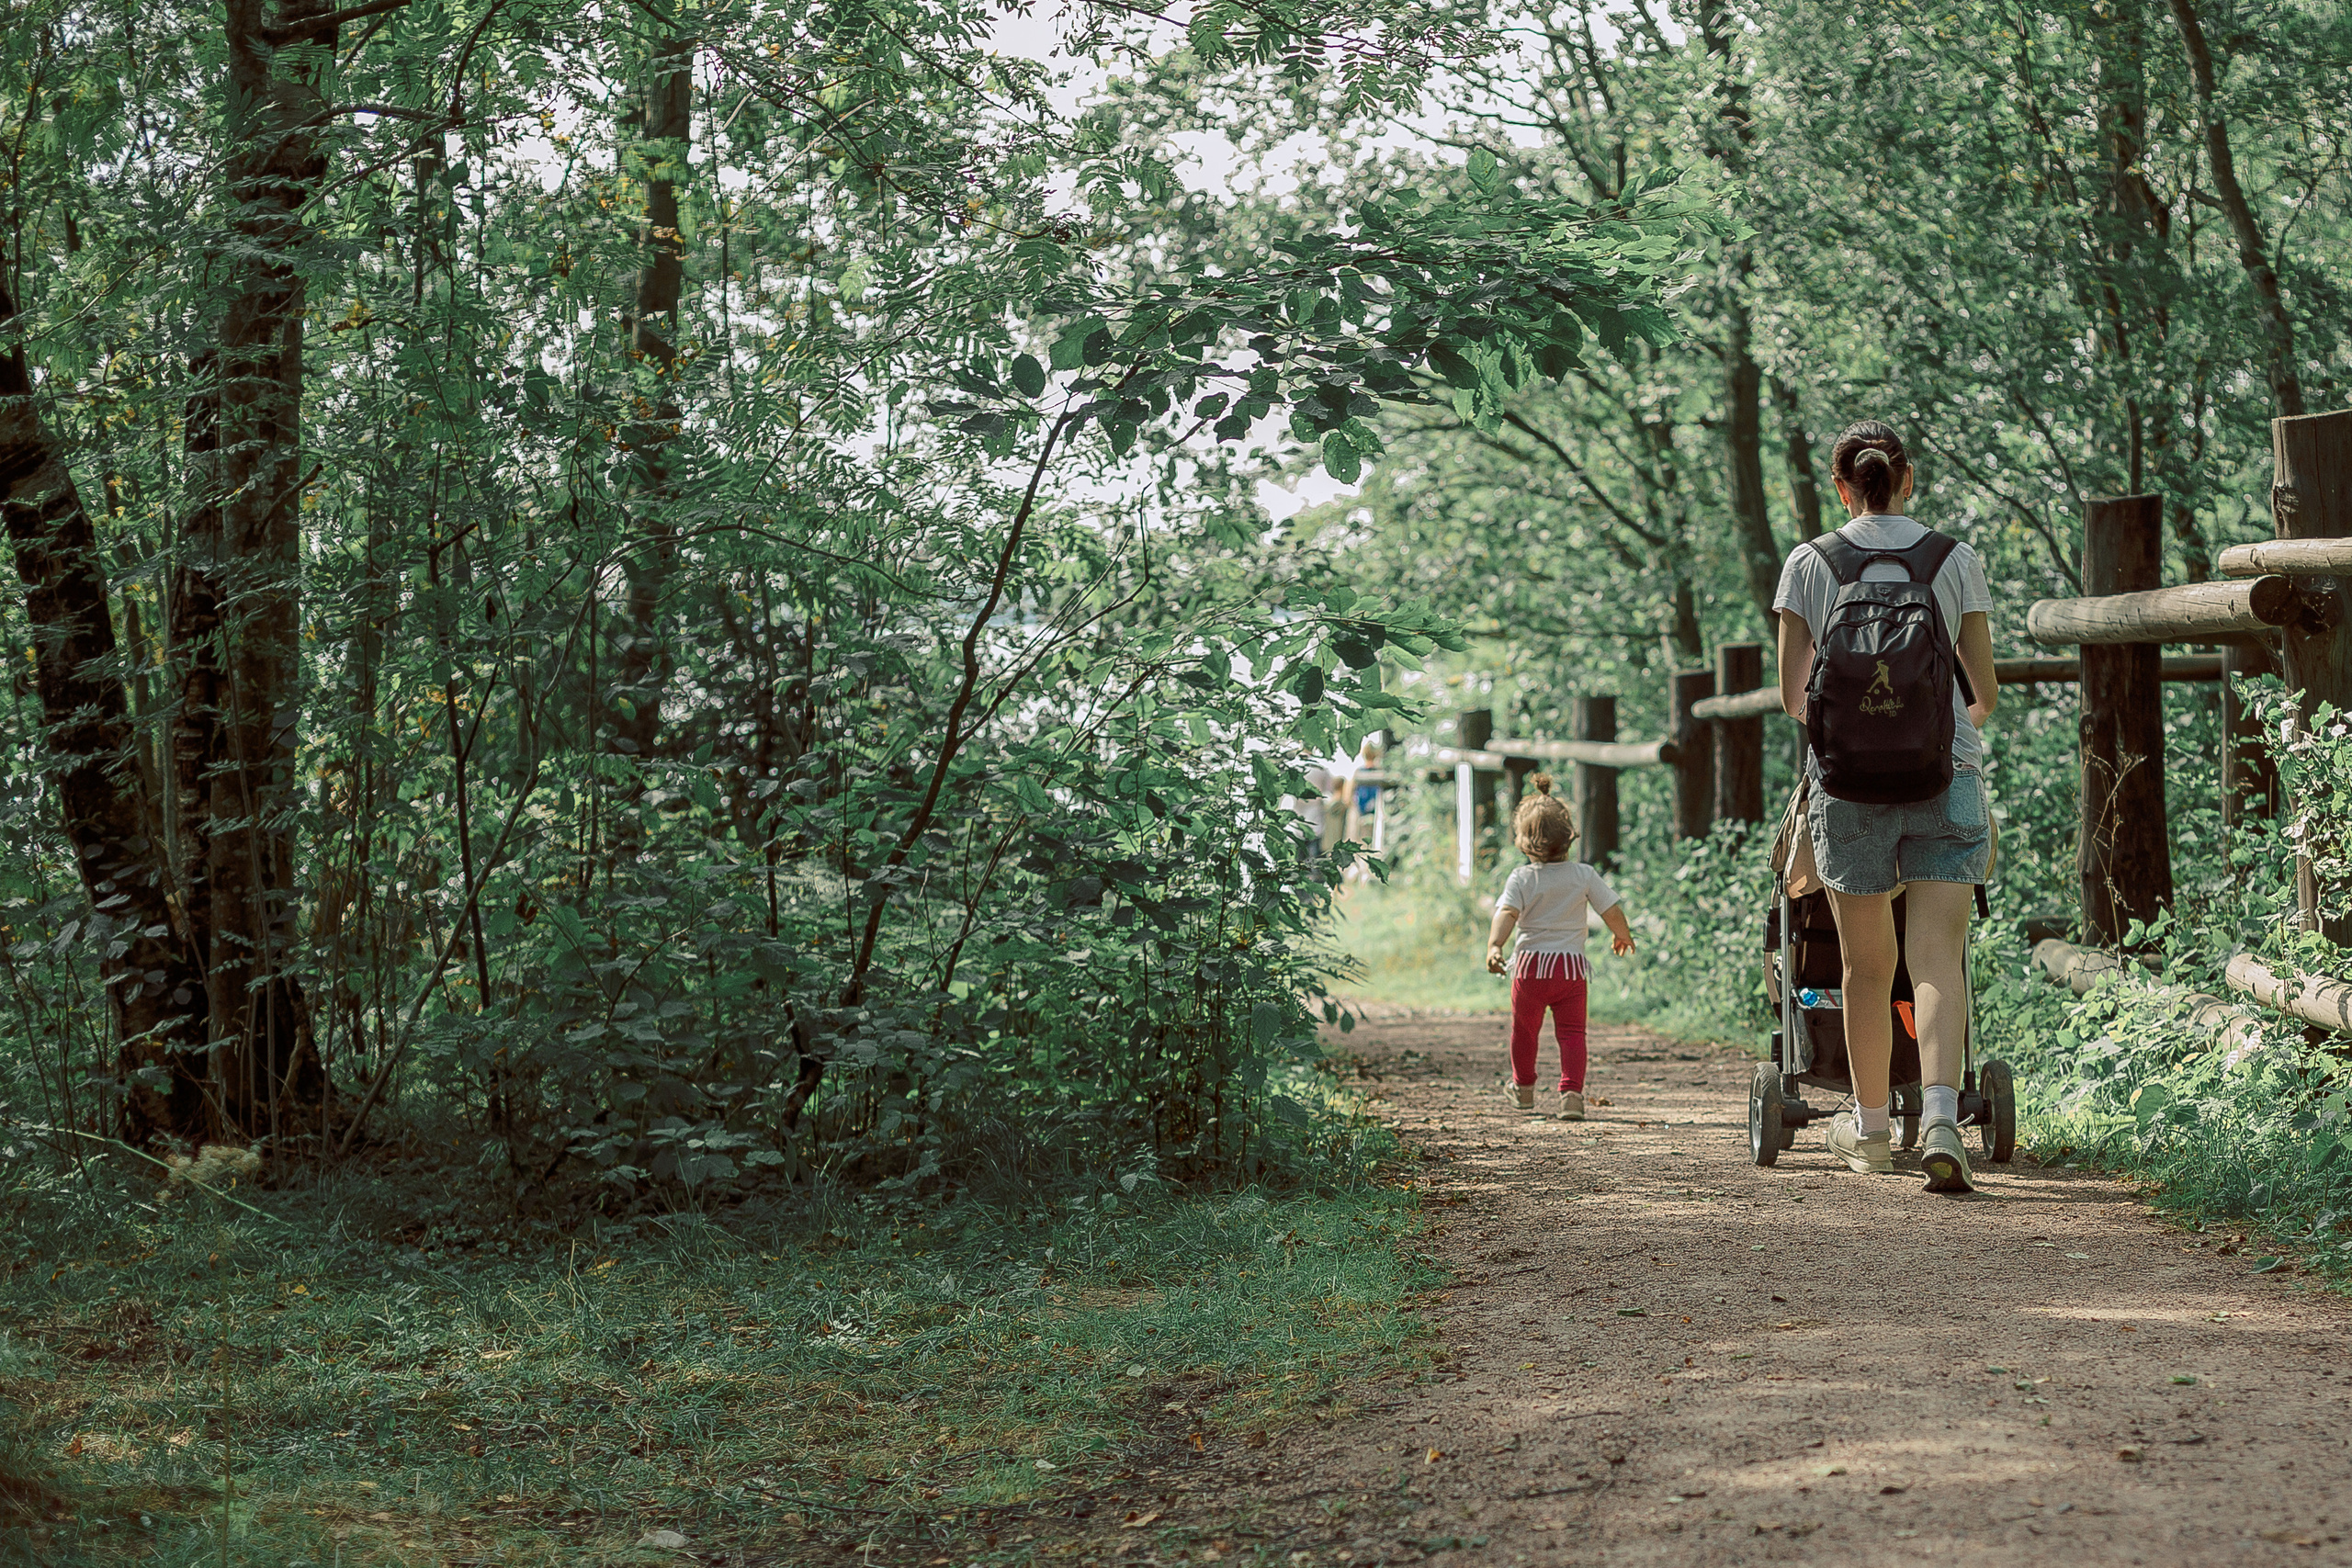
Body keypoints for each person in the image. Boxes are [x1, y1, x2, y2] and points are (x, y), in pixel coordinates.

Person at [1773, 420, 1996, 1192]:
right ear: (1910, 477)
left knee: (1869, 967)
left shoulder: (1810, 562)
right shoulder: (1954, 558)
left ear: (1843, 486)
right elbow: (1985, 693)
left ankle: (1870, 1132)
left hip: (1847, 788)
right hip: (1947, 778)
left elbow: (1792, 696)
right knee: (1937, 957)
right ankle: (1939, 1118)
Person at [1484, 774, 1637, 1121]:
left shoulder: (1522, 878)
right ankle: (1571, 1095)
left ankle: (1523, 1089)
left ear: (1523, 842)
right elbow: (1610, 908)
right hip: (1570, 970)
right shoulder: (1583, 875)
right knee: (1572, 1034)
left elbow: (1507, 913)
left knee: (1524, 1032)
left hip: (1530, 970)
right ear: (1569, 836)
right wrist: (1622, 934)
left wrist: (1495, 946)